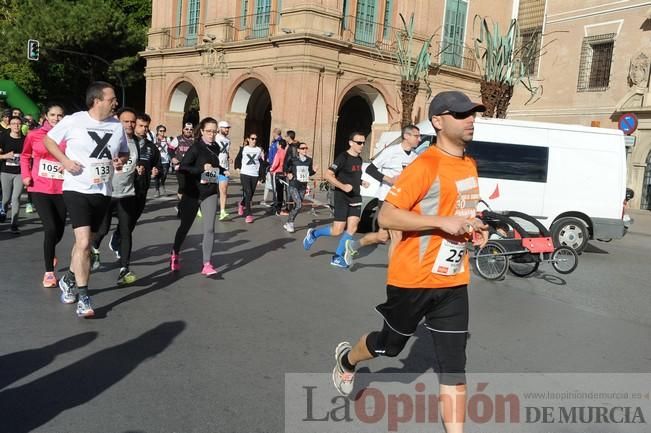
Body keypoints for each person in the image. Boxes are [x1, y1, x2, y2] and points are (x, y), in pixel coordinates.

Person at [331, 91, 489, 433]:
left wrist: (476, 226)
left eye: (472, 114)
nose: (470, 119)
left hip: (452, 281)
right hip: (413, 280)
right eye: (461, 114)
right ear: (437, 122)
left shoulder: (469, 164)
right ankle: (348, 359)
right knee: (389, 346)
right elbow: (387, 216)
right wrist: (440, 223)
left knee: (454, 370)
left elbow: (462, 211)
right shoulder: (425, 165)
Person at [44, 81, 128, 318]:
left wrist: (120, 160)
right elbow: (49, 141)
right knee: (82, 243)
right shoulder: (74, 120)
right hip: (77, 187)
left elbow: (123, 151)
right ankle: (84, 297)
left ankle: (69, 279)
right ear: (97, 100)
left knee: (87, 246)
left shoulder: (116, 126)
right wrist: (65, 161)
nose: (116, 103)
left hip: (103, 190)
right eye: (112, 99)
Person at [343, 124, 421, 266]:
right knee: (397, 236)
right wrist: (389, 179)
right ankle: (394, 274)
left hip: (403, 200)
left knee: (383, 236)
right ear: (406, 136)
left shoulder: (415, 157)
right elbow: (371, 169)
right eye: (416, 136)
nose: (419, 139)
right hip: (387, 199)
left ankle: (353, 245)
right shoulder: (391, 151)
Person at [90, 108, 141, 285]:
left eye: (132, 121)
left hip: (127, 194)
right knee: (102, 229)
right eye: (125, 121)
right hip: (108, 194)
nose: (129, 124)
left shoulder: (136, 142)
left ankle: (124, 269)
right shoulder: (110, 140)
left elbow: (137, 162)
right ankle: (94, 248)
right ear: (118, 122)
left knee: (126, 232)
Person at [303, 131, 368, 268]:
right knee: (338, 230)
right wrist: (343, 186)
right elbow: (328, 175)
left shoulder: (359, 159)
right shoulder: (343, 157)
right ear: (351, 143)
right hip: (341, 197)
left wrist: (361, 182)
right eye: (359, 142)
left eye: (363, 142)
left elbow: (352, 176)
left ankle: (337, 257)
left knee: (353, 227)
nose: (362, 145)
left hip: (355, 197)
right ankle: (314, 233)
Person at [170, 117, 225, 276]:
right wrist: (201, 168)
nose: (212, 134)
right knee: (185, 227)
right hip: (193, 192)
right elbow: (183, 168)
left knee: (209, 228)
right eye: (209, 131)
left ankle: (207, 264)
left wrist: (221, 170)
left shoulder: (216, 147)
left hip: (209, 190)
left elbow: (213, 166)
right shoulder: (195, 148)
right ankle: (175, 252)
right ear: (201, 131)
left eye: (215, 132)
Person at [20, 103, 66, 288]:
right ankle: (49, 273)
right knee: (50, 228)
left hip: (62, 188)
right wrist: (26, 175)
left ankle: (50, 250)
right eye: (53, 115)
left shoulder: (68, 136)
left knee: (60, 229)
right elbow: (25, 156)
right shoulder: (34, 135)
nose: (56, 118)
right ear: (46, 116)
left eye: (60, 115)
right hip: (39, 187)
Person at [0, 116, 26, 233]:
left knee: (15, 198)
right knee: (5, 199)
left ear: (21, 125)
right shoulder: (3, 138)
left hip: (20, 173)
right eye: (13, 123)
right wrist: (5, 156)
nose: (16, 126)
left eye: (18, 123)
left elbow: (29, 154)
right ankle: (3, 212)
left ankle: (14, 224)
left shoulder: (25, 139)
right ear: (9, 125)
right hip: (5, 172)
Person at [283, 142, 316, 233]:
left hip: (303, 186)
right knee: (299, 204)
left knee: (298, 206)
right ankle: (290, 223)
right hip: (294, 185)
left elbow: (309, 172)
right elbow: (285, 167)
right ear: (298, 150)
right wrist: (288, 174)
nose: (304, 150)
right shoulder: (293, 159)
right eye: (302, 148)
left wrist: (314, 171)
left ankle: (288, 222)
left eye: (306, 148)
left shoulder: (309, 160)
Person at [237, 132, 264, 223]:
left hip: (254, 174)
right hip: (244, 173)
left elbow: (261, 163)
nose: (254, 140)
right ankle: (248, 214)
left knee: (250, 194)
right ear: (248, 139)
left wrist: (261, 177)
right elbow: (238, 158)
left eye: (256, 139)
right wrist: (237, 168)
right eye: (252, 138)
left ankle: (241, 204)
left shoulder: (259, 150)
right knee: (248, 192)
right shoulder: (244, 149)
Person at [215, 120, 231, 220]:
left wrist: (229, 158)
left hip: (224, 168)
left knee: (223, 190)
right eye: (225, 128)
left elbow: (226, 152)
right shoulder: (215, 137)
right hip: (212, 167)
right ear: (220, 128)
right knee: (207, 190)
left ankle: (222, 212)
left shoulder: (228, 140)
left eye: (228, 128)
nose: (227, 130)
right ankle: (200, 208)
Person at [153, 124, 171, 196]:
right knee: (156, 175)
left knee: (164, 174)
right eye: (161, 131)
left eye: (164, 131)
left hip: (165, 160)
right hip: (157, 160)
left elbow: (171, 149)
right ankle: (157, 190)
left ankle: (162, 185)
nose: (162, 132)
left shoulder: (167, 139)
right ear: (157, 131)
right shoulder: (154, 139)